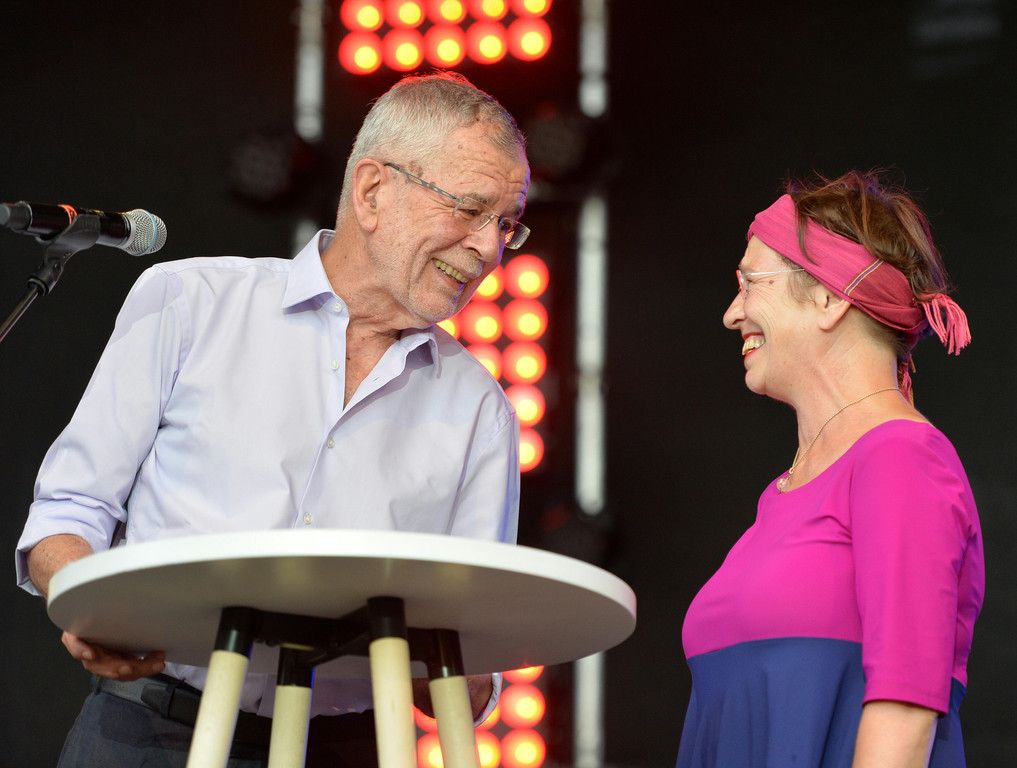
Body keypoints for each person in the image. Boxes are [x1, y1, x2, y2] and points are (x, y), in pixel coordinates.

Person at [16, 71, 531, 768]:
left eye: (506, 224)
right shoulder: (189, 300)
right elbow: (68, 512)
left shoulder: (480, 409)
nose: (489, 249)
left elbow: (464, 668)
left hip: (347, 749)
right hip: (148, 732)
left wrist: (461, 668)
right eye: (469, 209)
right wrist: (90, 607)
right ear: (372, 191)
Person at [677, 171, 984, 768]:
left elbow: (904, 715)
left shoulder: (901, 459)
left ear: (829, 296)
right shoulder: (786, 491)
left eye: (750, 283)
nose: (732, 314)